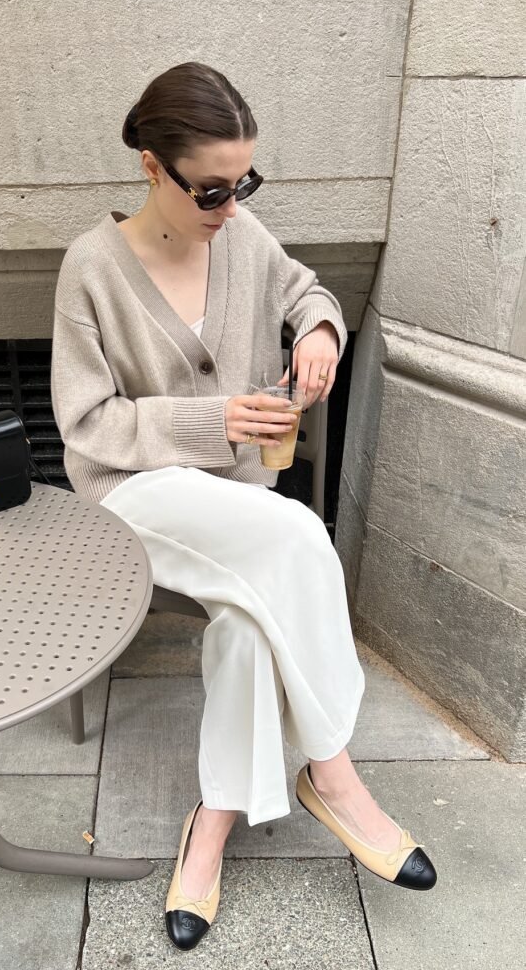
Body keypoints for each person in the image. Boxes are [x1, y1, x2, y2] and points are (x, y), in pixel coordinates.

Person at [50, 61, 437, 952]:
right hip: (135, 493)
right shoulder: (91, 269)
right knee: (298, 534)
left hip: (233, 503)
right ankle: (333, 776)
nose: (230, 207)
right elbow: (86, 422)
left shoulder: (240, 232)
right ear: (152, 168)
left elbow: (306, 290)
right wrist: (211, 420)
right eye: (212, 189)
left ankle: (210, 825)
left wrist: (320, 333)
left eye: (245, 182)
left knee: (247, 622)